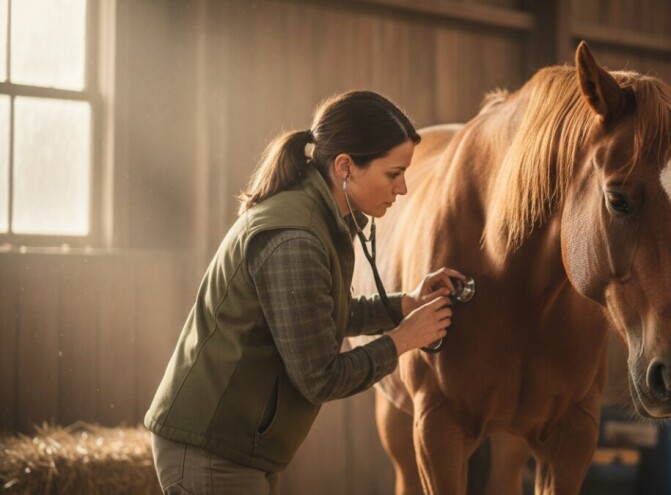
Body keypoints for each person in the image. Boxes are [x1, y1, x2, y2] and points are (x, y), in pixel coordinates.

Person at [145, 90, 463, 494]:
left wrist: (405, 304)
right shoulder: (296, 238)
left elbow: (321, 315)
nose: (402, 189)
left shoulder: (320, 219)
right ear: (346, 166)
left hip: (232, 445)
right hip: (213, 449)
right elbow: (321, 378)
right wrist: (404, 340)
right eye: (393, 173)